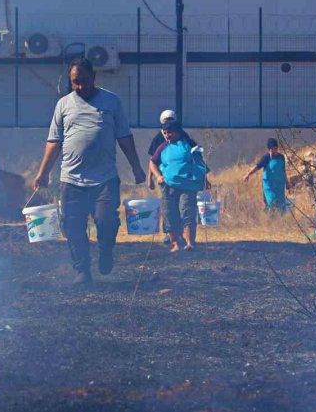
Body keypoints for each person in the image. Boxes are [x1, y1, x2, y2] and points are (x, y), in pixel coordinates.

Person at [33, 58, 147, 284]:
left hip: (105, 179)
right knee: (72, 227)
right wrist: (43, 172)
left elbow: (124, 136)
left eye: (84, 81)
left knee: (106, 222)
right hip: (71, 180)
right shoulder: (63, 105)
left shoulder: (111, 102)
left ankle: (105, 251)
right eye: (75, 82)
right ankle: (82, 271)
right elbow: (54, 141)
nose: (80, 87)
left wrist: (136, 166)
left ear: (93, 77)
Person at [149, 120, 209, 251]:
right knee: (169, 213)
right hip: (168, 185)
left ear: (178, 132)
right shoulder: (163, 147)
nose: (167, 135)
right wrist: (158, 176)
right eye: (165, 133)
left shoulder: (189, 145)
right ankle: (175, 243)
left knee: (187, 211)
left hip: (188, 185)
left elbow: (199, 163)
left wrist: (205, 179)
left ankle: (190, 243)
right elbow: (152, 163)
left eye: (169, 132)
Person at [147, 110, 193, 244]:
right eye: (165, 120)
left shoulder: (184, 137)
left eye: (170, 119)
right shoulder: (159, 138)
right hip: (166, 180)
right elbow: (152, 159)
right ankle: (170, 235)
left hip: (184, 180)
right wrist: (151, 177)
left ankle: (184, 237)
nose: (168, 134)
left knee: (183, 208)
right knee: (168, 208)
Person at [243, 137, 290, 212]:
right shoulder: (266, 157)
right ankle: (269, 218)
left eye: (275, 148)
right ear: (269, 149)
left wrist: (287, 183)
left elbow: (283, 170)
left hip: (280, 185)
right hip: (269, 186)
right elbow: (257, 166)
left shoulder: (281, 157)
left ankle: (280, 220)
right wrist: (248, 174)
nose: (274, 150)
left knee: (281, 204)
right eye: (271, 149)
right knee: (271, 203)